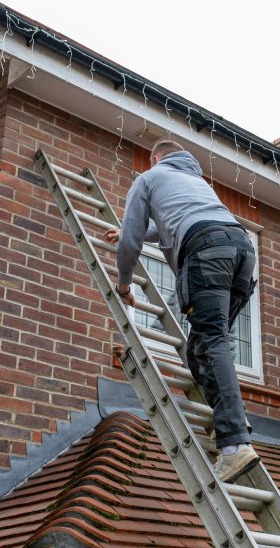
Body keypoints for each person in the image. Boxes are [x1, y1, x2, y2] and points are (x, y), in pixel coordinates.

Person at [105, 139, 259, 483]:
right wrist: (139, 233)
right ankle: (231, 413)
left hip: (206, 253)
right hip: (242, 252)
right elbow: (172, 223)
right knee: (200, 348)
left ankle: (234, 444)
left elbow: (131, 239)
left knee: (211, 341)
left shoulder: (148, 177)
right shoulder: (197, 183)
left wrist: (125, 284)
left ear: (155, 157)